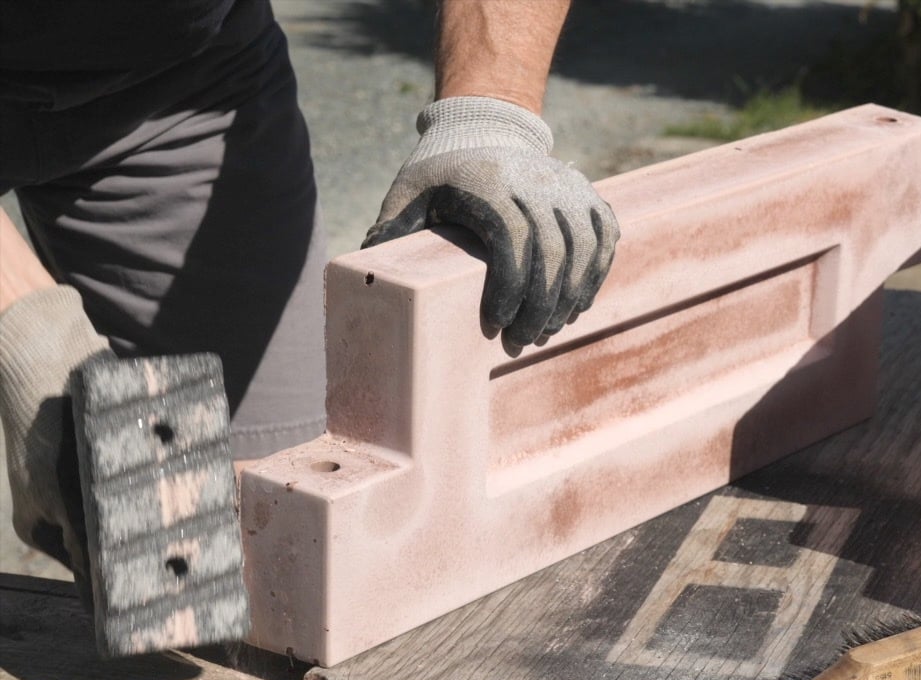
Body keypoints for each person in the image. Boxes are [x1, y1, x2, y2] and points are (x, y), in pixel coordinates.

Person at [0, 0, 618, 591]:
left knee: (259, 545)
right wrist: (27, 332)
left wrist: (487, 118)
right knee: (78, 436)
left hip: (175, 77)